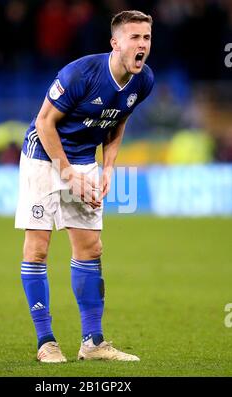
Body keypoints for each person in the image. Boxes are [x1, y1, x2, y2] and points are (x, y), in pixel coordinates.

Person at [15, 10, 154, 363]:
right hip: (44, 158)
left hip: (84, 162)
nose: (142, 45)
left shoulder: (144, 80)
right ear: (115, 42)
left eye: (147, 38)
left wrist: (107, 168)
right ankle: (46, 342)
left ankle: (92, 343)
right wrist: (67, 173)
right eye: (135, 37)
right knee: (38, 249)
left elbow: (119, 121)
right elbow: (45, 122)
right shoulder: (81, 72)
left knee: (91, 248)